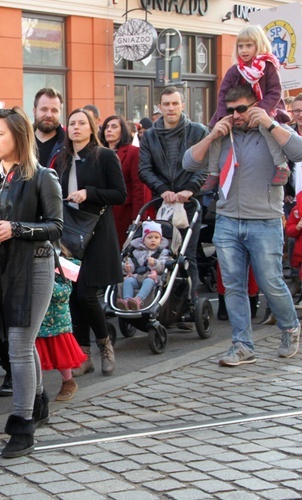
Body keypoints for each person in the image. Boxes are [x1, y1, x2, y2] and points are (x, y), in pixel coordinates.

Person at [184, 84, 302, 366]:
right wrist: (213, 133)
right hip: (227, 221)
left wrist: (271, 124)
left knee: (271, 283)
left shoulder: (271, 132)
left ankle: (290, 328)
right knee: (234, 286)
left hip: (265, 220)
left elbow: (298, 152)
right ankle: (242, 345)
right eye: (230, 109)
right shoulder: (222, 136)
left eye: (241, 109)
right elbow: (189, 163)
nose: (235, 115)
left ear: (255, 106)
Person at [0, 106, 63, 458]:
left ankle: (22, 424)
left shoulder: (43, 177)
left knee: (18, 343)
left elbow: (57, 227)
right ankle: (38, 401)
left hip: (35, 265)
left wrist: (17, 229)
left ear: (19, 136)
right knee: (18, 342)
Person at [54, 108, 127, 377]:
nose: (76, 128)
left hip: (96, 232)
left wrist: (90, 193)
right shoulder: (60, 159)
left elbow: (120, 194)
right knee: (73, 295)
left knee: (86, 293)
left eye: (81, 123)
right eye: (72, 123)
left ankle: (105, 344)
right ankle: (83, 354)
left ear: (91, 127)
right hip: (68, 234)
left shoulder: (105, 156)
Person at [139, 87, 208, 308]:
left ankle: (189, 301)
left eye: (175, 103)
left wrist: (190, 188)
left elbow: (205, 165)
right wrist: (161, 189)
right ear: (159, 107)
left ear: (182, 105)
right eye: (166, 104)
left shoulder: (198, 132)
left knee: (187, 253)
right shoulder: (150, 136)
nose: (170, 108)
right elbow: (145, 168)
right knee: (161, 250)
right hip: (163, 203)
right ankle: (161, 301)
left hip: (189, 203)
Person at [203, 25, 291, 191]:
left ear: (259, 45)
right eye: (240, 46)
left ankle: (281, 165)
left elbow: (275, 92)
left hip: (264, 109)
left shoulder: (269, 66)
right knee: (216, 133)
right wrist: (223, 116)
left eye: (249, 45)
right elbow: (223, 94)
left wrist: (260, 110)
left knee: (268, 128)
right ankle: (213, 172)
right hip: (236, 110)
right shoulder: (235, 70)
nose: (244, 50)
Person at [36, 248, 86, 402]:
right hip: (38, 321)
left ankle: (68, 382)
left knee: (61, 356)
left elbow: (63, 293)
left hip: (57, 322)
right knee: (36, 357)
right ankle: (36, 389)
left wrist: (46, 278)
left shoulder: (65, 266)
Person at [100, 115, 150, 246]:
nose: (109, 130)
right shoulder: (98, 152)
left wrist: (138, 216)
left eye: (114, 127)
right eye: (106, 127)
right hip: (101, 212)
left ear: (123, 131)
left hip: (124, 213)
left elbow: (138, 186)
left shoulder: (133, 152)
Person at [118, 220, 171, 310]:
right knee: (128, 281)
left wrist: (155, 263)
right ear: (143, 240)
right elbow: (131, 264)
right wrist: (127, 268)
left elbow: (163, 267)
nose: (153, 240)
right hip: (137, 277)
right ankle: (127, 301)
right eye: (149, 238)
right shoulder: (136, 251)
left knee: (148, 281)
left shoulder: (163, 252)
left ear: (160, 240)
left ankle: (138, 300)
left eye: (156, 238)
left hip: (153, 279)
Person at [32, 87, 65, 168]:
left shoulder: (68, 144)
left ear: (60, 113)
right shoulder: (21, 141)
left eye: (54, 110)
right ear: (34, 111)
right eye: (44, 109)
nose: (49, 115)